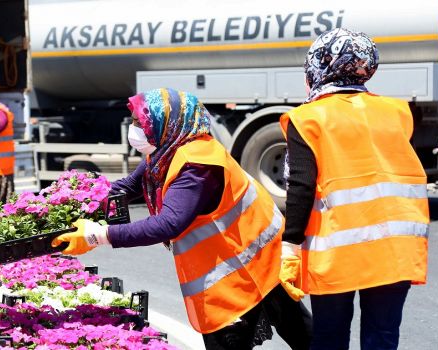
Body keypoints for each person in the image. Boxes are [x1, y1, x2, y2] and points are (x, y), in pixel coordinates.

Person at [52, 88, 311, 349]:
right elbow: (129, 186)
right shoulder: (166, 152)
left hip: (249, 263)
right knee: (300, 331)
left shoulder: (197, 164)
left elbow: (167, 224)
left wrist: (97, 235)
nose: (135, 129)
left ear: (167, 122)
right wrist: (76, 203)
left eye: (140, 122)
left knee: (294, 332)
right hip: (245, 260)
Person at [279, 28, 429, 350]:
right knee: (383, 337)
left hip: (337, 252)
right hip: (395, 248)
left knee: (330, 339)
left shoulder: (308, 118)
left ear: (319, 64)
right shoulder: (398, 112)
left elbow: (301, 187)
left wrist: (289, 246)